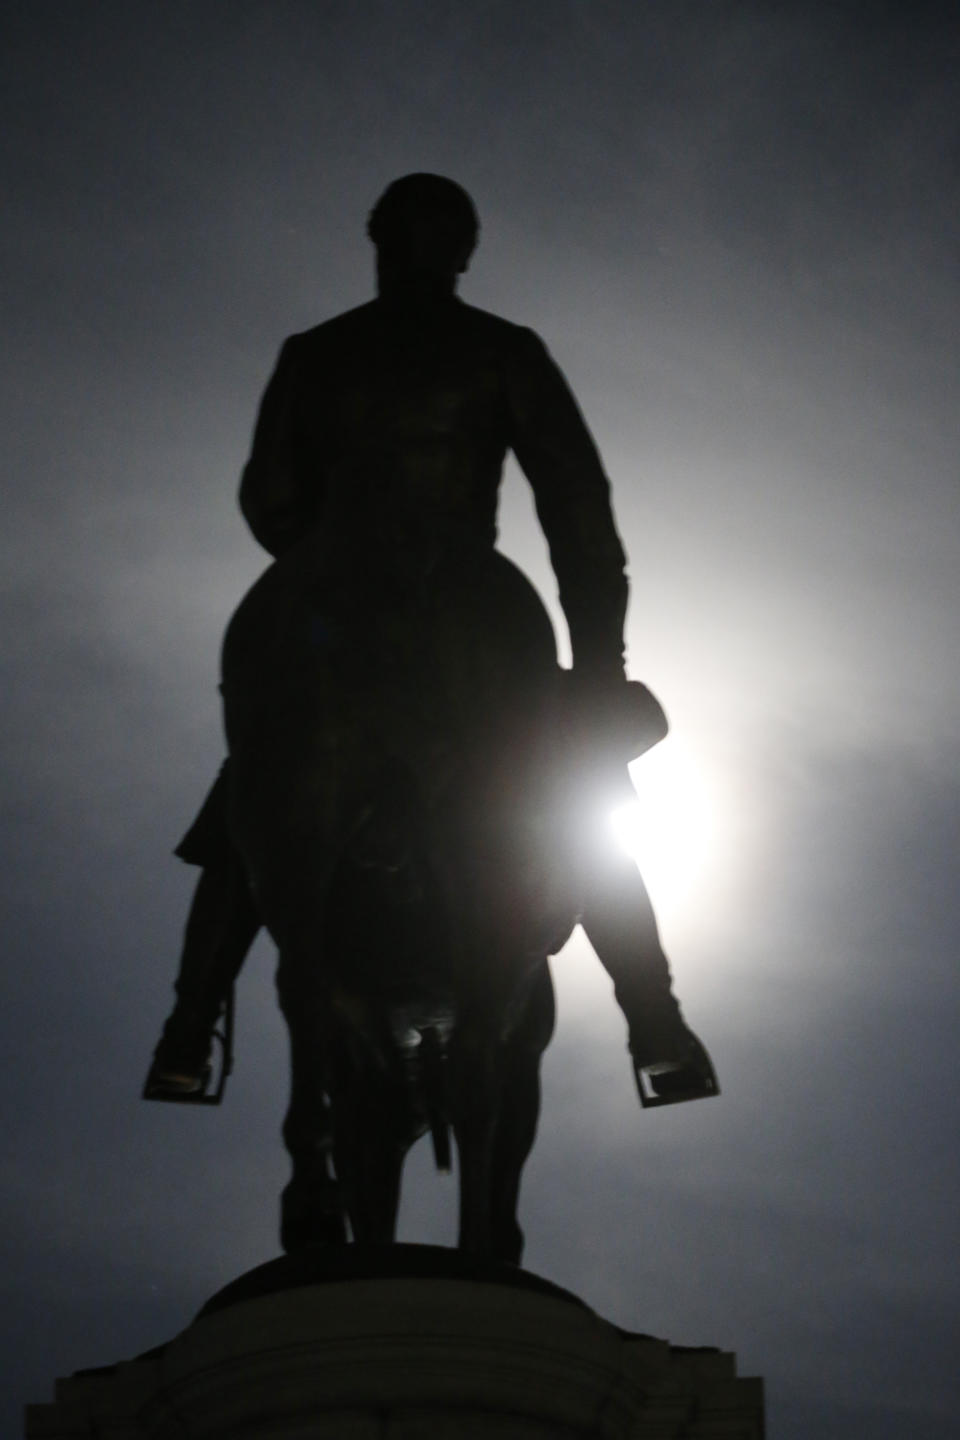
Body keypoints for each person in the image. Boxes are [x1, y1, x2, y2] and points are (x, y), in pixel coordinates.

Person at [144, 174, 716, 1108]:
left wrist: (332, 559)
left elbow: (268, 497)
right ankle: (654, 1021)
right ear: (461, 251)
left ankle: (190, 1024)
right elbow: (577, 508)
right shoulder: (501, 350)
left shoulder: (318, 351)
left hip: (331, 591)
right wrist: (600, 663)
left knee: (254, 790)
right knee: (579, 785)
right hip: (471, 600)